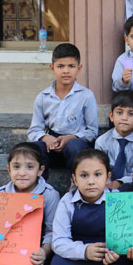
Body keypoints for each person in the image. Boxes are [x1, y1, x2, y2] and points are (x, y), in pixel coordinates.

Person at [49, 149, 127, 265]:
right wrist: (84, 251)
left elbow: (126, 237)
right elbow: (58, 241)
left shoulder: (118, 199)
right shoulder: (67, 201)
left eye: (97, 175)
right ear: (75, 179)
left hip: (107, 256)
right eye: (84, 176)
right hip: (74, 253)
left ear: (108, 177)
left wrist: (116, 252)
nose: (91, 181)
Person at [27, 43, 97, 175]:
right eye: (60, 66)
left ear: (79, 68)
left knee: (75, 146)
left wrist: (70, 138)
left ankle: (76, 182)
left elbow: (92, 131)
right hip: (51, 145)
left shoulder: (86, 96)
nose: (66, 71)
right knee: (35, 148)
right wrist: (45, 138)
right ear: (52, 68)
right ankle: (38, 184)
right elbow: (34, 130)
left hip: (75, 146)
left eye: (71, 66)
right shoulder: (43, 97)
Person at [95, 90, 133, 190]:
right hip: (106, 186)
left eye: (131, 114)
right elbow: (98, 169)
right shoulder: (102, 142)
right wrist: (108, 183)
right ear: (111, 116)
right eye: (119, 112)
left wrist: (120, 182)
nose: (124, 118)